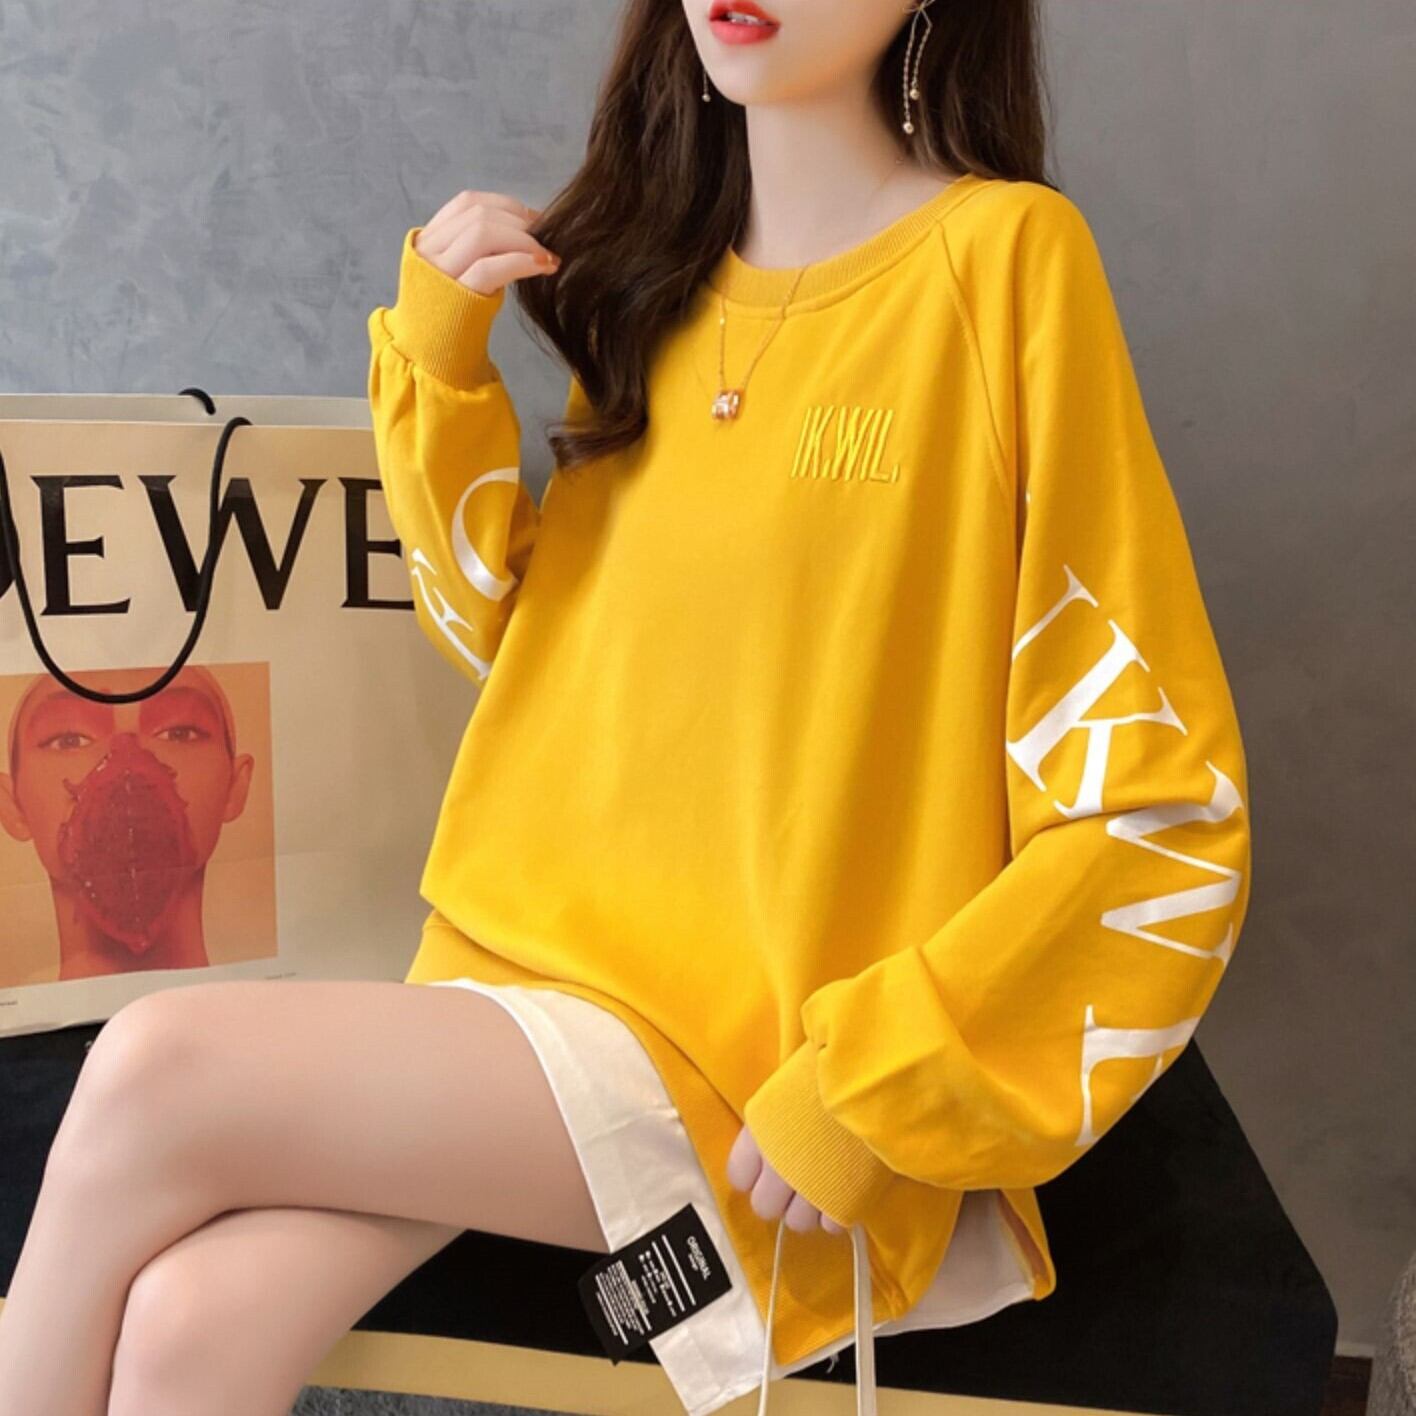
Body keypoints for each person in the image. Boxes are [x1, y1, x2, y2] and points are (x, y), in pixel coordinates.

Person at [0, 0, 1252, 1412]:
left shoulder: (1004, 261)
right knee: (193, 1325)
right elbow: (520, 644)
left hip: (740, 1060)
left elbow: (1165, 815)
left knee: (153, 1068)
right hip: (514, 978)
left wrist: (886, 1079)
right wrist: (441, 366)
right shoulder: (659, 288)